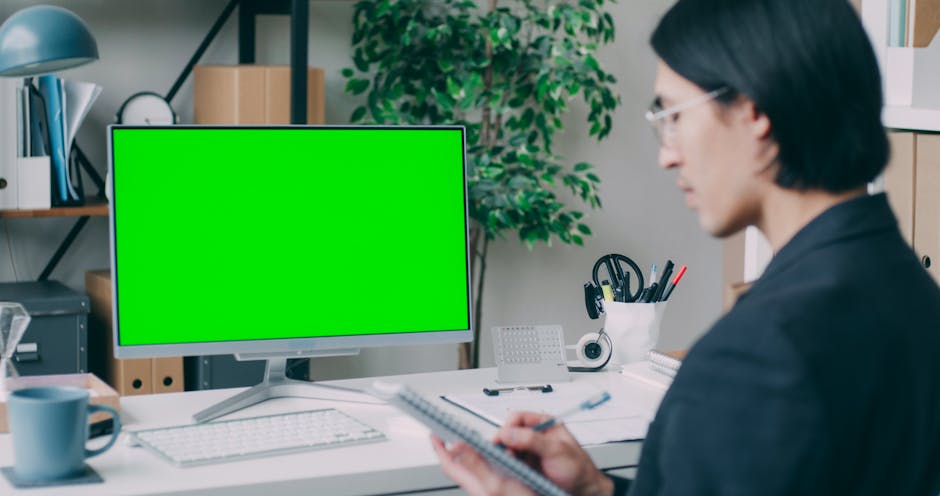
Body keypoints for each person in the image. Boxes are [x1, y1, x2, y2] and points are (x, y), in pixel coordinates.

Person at [431, 0, 940, 494]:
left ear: (754, 111)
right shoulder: (912, 292)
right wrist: (598, 489)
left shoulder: (758, 356)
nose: (667, 156)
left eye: (673, 116)